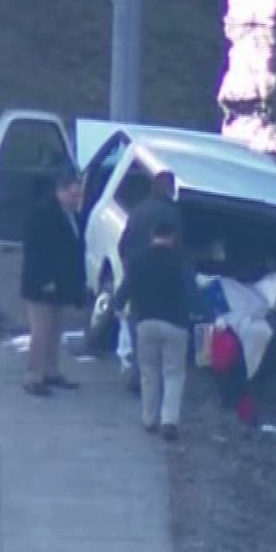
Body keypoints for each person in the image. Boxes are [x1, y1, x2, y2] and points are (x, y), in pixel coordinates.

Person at [114, 220, 201, 440]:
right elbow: (192, 293)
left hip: (145, 322)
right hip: (175, 324)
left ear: (152, 235)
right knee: (173, 374)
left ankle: (148, 419)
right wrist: (206, 315)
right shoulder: (181, 261)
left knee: (148, 372)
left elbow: (125, 288)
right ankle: (169, 422)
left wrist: (117, 305)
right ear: (172, 237)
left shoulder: (138, 260)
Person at [19, 170, 87, 397]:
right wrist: (45, 279)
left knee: (56, 329)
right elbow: (37, 251)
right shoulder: (43, 213)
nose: (76, 199)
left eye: (78, 195)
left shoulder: (71, 215)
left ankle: (51, 369)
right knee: (41, 330)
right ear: (61, 190)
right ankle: (33, 375)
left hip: (61, 284)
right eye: (73, 195)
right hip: (42, 284)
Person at [115, 170, 181, 390]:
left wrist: (130, 268)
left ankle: (137, 378)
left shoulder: (137, 211)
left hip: (137, 279)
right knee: (161, 338)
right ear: (170, 189)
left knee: (139, 333)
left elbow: (122, 245)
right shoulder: (171, 214)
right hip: (163, 283)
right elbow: (178, 249)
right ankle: (152, 383)